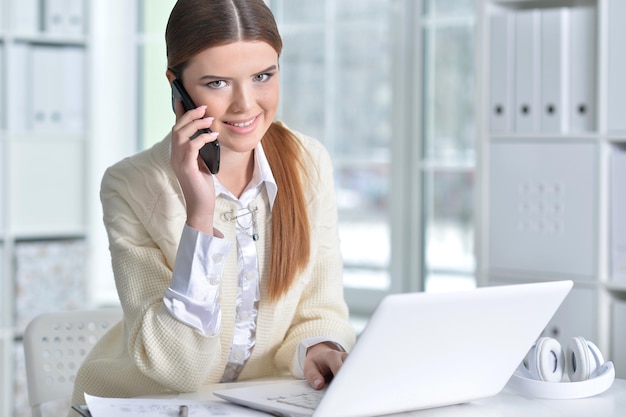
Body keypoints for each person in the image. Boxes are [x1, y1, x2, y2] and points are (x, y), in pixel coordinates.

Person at [70, 0, 356, 409]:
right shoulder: (130, 184)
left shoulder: (307, 163)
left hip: (251, 406)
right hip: (139, 404)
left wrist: (318, 348)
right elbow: (177, 370)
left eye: (262, 76)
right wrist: (199, 215)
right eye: (218, 83)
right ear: (177, 88)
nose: (246, 104)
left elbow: (320, 308)